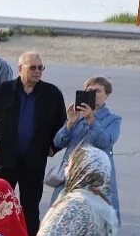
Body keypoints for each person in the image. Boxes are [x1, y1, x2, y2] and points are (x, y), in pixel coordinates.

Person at [0, 51, 65, 233]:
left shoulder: (52, 94)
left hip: (34, 162)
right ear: (20, 69)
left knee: (30, 209)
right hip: (3, 160)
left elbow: (61, 125)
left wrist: (53, 148)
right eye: (32, 67)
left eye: (40, 67)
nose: (37, 71)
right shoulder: (2, 91)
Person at [49, 75, 119, 213]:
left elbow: (106, 142)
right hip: (71, 173)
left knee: (91, 217)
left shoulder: (113, 119)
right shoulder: (77, 116)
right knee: (63, 214)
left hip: (95, 177)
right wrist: (69, 123)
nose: (93, 94)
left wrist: (91, 120)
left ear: (107, 95)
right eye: (89, 90)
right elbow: (58, 142)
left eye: (98, 91)